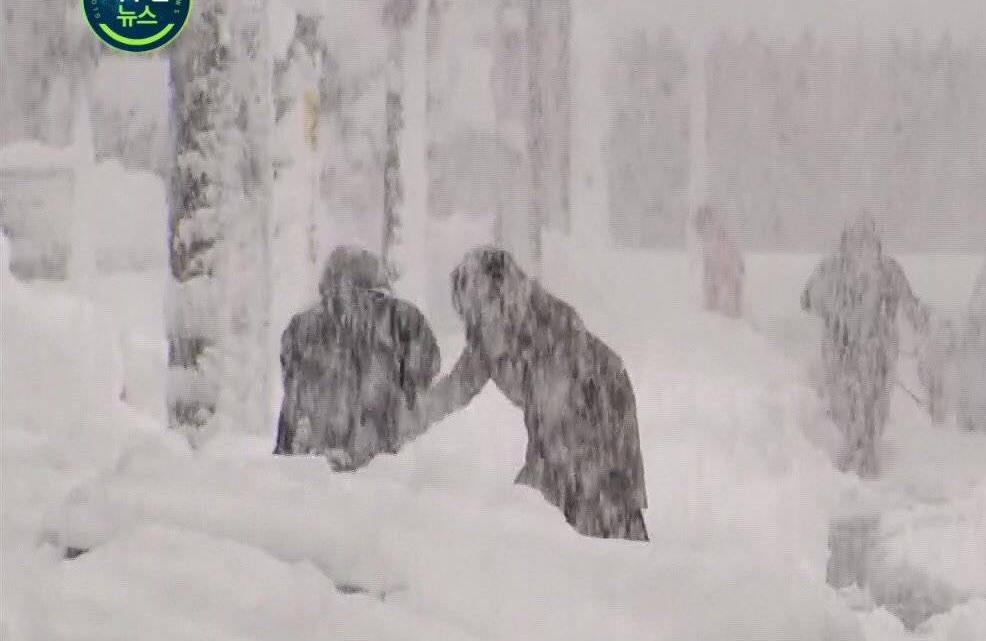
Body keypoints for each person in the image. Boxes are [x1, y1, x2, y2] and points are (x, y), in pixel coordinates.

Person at [399, 246, 650, 542]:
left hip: (604, 398)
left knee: (597, 496)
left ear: (501, 294)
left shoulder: (551, 325)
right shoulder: (487, 335)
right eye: (468, 311)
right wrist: (406, 422)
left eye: (479, 306)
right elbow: (457, 388)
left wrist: (535, 485)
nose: (474, 319)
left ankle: (627, 558)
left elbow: (551, 420)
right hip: (555, 423)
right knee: (549, 502)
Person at [274, 244, 439, 469]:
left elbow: (291, 384)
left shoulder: (301, 326)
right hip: (382, 462)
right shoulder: (403, 320)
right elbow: (425, 373)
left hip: (313, 462)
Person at [801, 214, 929, 478]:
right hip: (842, 353)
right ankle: (853, 455)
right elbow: (807, 300)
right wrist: (831, 309)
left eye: (867, 242)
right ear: (844, 244)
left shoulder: (887, 271)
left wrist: (919, 322)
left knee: (874, 407)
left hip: (878, 355)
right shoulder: (830, 271)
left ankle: (867, 456)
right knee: (847, 405)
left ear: (877, 245)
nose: (861, 249)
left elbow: (909, 302)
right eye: (856, 242)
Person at [694, 204, 745, 318]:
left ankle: (732, 315)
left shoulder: (718, 233)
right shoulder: (707, 237)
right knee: (713, 293)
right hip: (720, 267)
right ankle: (715, 314)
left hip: (728, 267)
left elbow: (731, 252)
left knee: (730, 292)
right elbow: (708, 259)